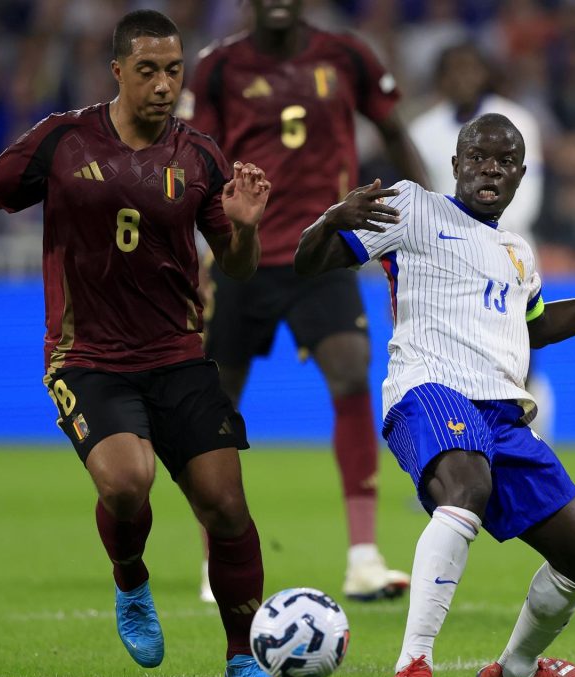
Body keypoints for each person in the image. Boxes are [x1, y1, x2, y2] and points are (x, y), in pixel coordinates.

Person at [0, 10, 284, 677]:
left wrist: (248, 230)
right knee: (126, 481)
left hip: (177, 354)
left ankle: (242, 658)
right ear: (117, 72)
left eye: (173, 70)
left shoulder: (200, 155)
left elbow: (237, 264)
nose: (164, 84)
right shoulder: (63, 140)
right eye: (148, 71)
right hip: (88, 358)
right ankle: (130, 577)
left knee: (227, 506)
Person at [294, 113, 575, 677]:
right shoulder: (413, 208)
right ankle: (413, 665)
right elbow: (309, 263)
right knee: (467, 487)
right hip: (428, 388)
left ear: (521, 175)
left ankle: (514, 665)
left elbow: (537, 327)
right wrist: (331, 219)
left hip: (503, 413)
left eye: (506, 161)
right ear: (456, 164)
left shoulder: (518, 251)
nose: (492, 168)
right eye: (480, 157)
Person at [177, 0, 428, 602]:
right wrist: (193, 255)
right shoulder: (216, 67)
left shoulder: (347, 56)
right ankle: (218, 556)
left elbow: (395, 132)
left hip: (324, 254)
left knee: (349, 374)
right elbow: (190, 162)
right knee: (213, 402)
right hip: (241, 254)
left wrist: (435, 218)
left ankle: (364, 556)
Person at [408, 41, 556, 440]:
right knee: (445, 365)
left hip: (508, 254)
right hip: (441, 265)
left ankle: (533, 457)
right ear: (441, 78)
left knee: (518, 365)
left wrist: (479, 234)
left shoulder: (517, 119)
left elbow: (527, 199)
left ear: (485, 74)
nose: (463, 79)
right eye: (454, 70)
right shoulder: (421, 131)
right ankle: (449, 459)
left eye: (471, 69)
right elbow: (422, 204)